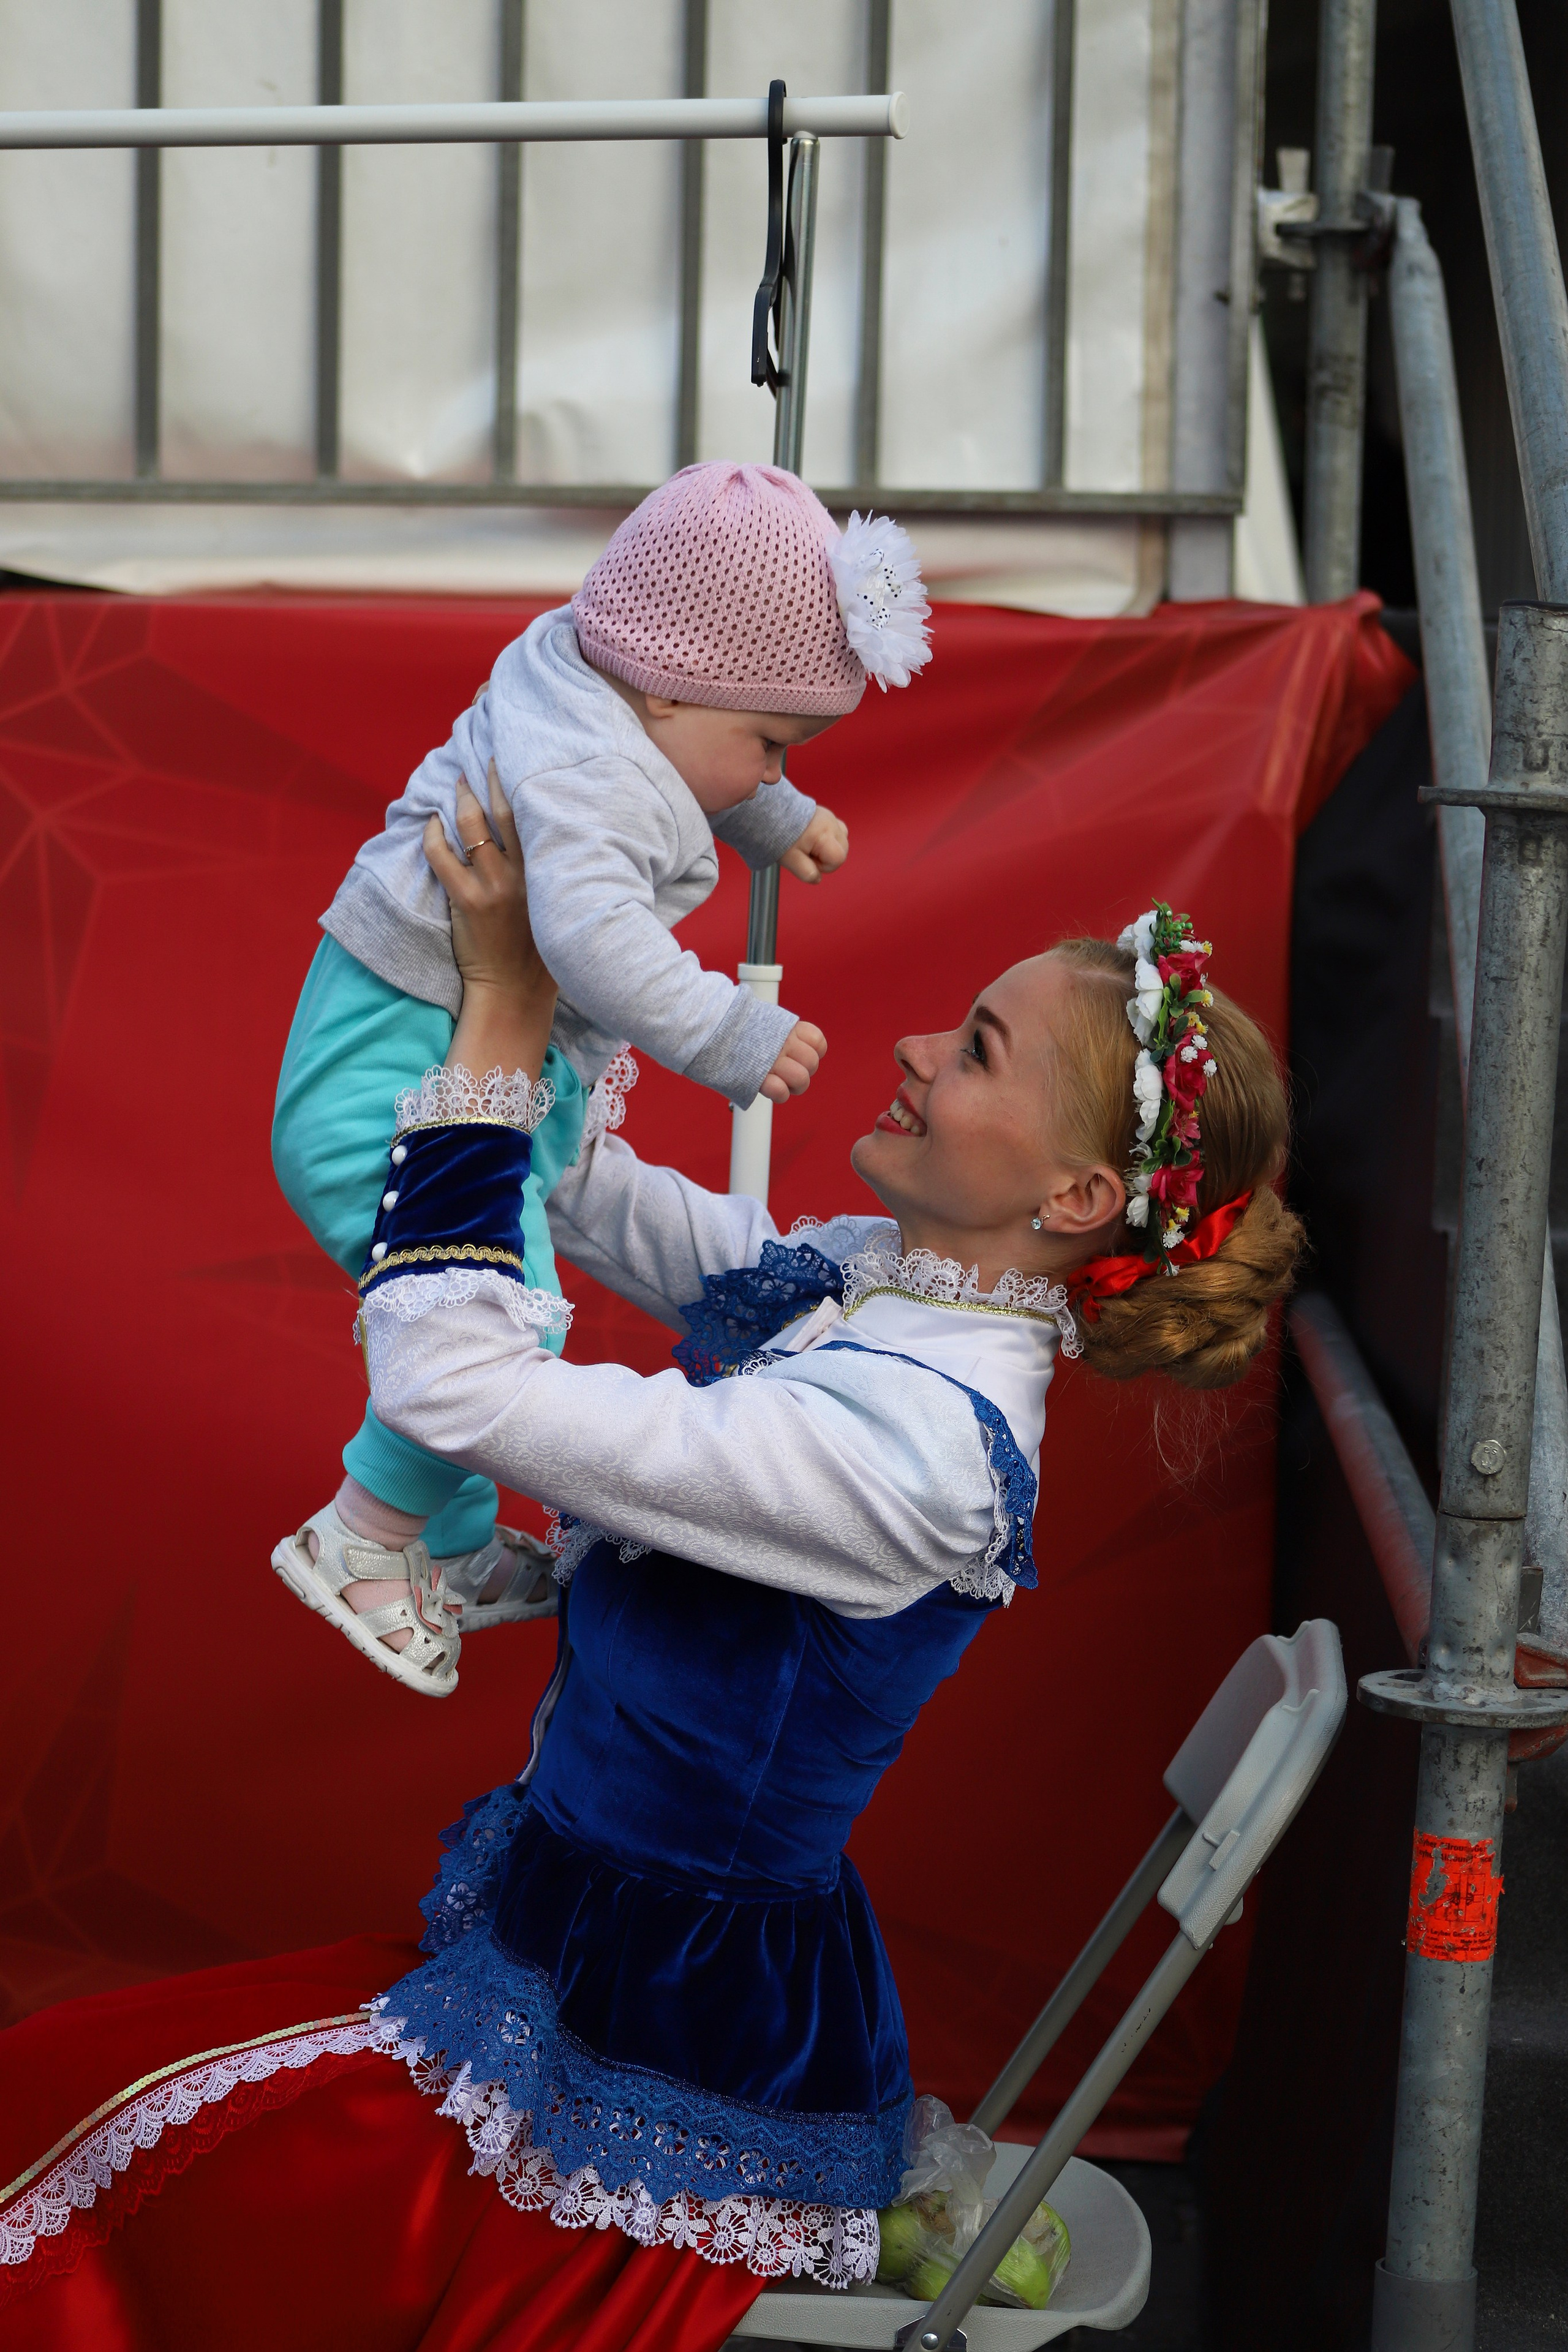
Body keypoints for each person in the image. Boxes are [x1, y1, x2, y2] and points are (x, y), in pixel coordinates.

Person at [0, 784, 1302, 2352]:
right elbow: (585, 1198)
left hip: (655, 2035)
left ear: (1076, 1200)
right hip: (572, 1944)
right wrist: (559, 993)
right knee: (74, 2101)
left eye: (974, 1051)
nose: (912, 1049)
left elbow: (453, 1393)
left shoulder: (915, 1455)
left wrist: (496, 1020)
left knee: (89, 2153)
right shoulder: (885, 1287)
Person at [267, 464, 933, 1698]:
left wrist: (769, 816)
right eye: (773, 745)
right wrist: (725, 1035)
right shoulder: (591, 777)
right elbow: (588, 938)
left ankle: (452, 1548)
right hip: (391, 1073)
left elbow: (692, 762)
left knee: (484, 1292)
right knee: (490, 1313)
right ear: (673, 685)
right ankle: (362, 1536)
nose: (769, 766)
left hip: (409, 1031)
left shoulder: (590, 667)